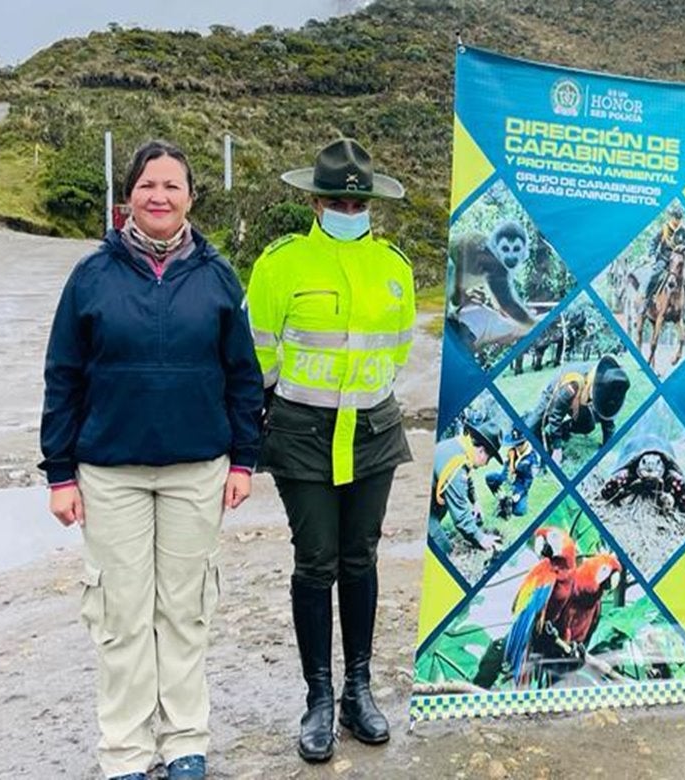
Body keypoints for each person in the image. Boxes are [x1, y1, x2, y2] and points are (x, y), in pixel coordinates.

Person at [40, 139, 263, 780]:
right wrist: (60, 473)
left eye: (172, 186)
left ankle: (185, 743)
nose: (159, 196)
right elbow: (63, 376)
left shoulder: (218, 276)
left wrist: (244, 459)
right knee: (121, 616)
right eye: (147, 186)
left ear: (191, 197)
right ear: (127, 199)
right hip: (110, 474)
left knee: (186, 610)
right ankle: (127, 753)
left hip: (198, 471)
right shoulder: (90, 277)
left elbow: (242, 377)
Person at [246, 138, 416, 763]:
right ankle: (318, 696)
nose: (350, 207)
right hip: (303, 433)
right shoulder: (280, 264)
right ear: (316, 201)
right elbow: (257, 355)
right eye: (339, 199)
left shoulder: (396, 267)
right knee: (316, 560)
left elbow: (396, 353)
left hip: (372, 432)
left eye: (359, 199)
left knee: (361, 557)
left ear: (372, 204)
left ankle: (358, 689)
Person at [523, 353, 630, 463]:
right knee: (531, 428)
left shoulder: (612, 388)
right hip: (556, 393)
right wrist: (557, 448)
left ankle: (565, 430)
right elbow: (556, 415)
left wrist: (607, 449)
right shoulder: (572, 385)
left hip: (581, 399)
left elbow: (608, 422)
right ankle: (529, 419)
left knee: (587, 425)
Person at [429, 420, 505, 553]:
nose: (486, 464)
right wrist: (480, 538)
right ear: (481, 451)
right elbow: (461, 516)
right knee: (444, 549)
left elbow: (467, 478)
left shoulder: (462, 447)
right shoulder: (456, 465)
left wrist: (475, 501)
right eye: (489, 458)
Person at [485, 427, 541, 518]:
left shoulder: (533, 458)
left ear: (526, 441)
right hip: (508, 479)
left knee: (520, 511)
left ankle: (511, 503)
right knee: (490, 478)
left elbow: (527, 481)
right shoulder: (512, 452)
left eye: (520, 444)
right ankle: (501, 499)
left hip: (519, 484)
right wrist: (503, 486)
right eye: (516, 444)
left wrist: (519, 494)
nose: (518, 447)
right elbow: (505, 470)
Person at [645, 203, 685, 300]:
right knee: (656, 274)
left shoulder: (682, 230)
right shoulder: (664, 228)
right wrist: (652, 254)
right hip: (664, 258)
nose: (677, 221)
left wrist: (682, 246)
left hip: (678, 259)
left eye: (679, 218)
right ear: (672, 217)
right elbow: (654, 241)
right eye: (676, 217)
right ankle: (647, 298)